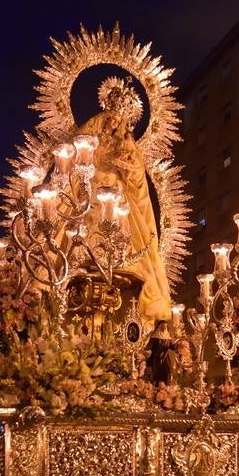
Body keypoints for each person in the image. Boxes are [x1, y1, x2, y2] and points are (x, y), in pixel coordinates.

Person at [70, 76, 172, 325]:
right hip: (90, 194)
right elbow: (77, 157)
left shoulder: (127, 143)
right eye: (111, 115)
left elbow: (138, 180)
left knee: (126, 253)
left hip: (117, 201)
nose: (113, 123)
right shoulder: (92, 129)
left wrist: (126, 161)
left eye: (119, 119)